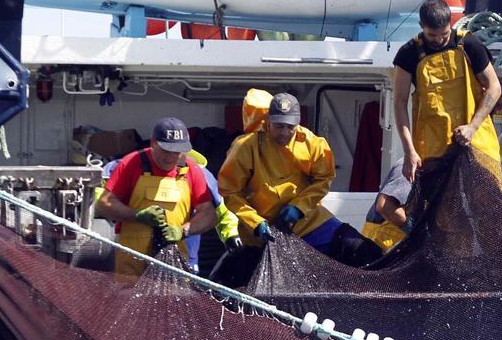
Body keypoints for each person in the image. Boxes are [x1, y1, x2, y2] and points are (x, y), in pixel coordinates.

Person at [217, 92, 380, 267]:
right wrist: (255, 223)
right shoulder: (245, 146)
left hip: (308, 222)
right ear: (268, 121)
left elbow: (324, 179)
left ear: (298, 123)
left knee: (363, 250)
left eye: (290, 127)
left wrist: (299, 207)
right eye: (279, 126)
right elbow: (230, 192)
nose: (285, 132)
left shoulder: (313, 143)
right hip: (263, 233)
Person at [391, 0, 502, 182]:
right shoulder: (408, 53)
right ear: (421, 26)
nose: (439, 40)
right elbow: (399, 102)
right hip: (434, 151)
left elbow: (494, 87)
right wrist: (409, 150)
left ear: (450, 24)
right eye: (432, 35)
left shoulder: (468, 44)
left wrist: (472, 127)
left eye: (444, 34)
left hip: (476, 142)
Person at [93, 117, 217, 279]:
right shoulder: (131, 163)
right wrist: (137, 215)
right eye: (165, 151)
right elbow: (104, 203)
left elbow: (208, 214)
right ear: (152, 143)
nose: (170, 158)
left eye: (176, 152)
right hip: (130, 265)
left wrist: (183, 230)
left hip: (174, 265)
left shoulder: (191, 170)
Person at [361, 158, 413, 252]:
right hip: (381, 242)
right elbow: (385, 206)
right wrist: (414, 229)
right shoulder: (409, 166)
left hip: (398, 244)